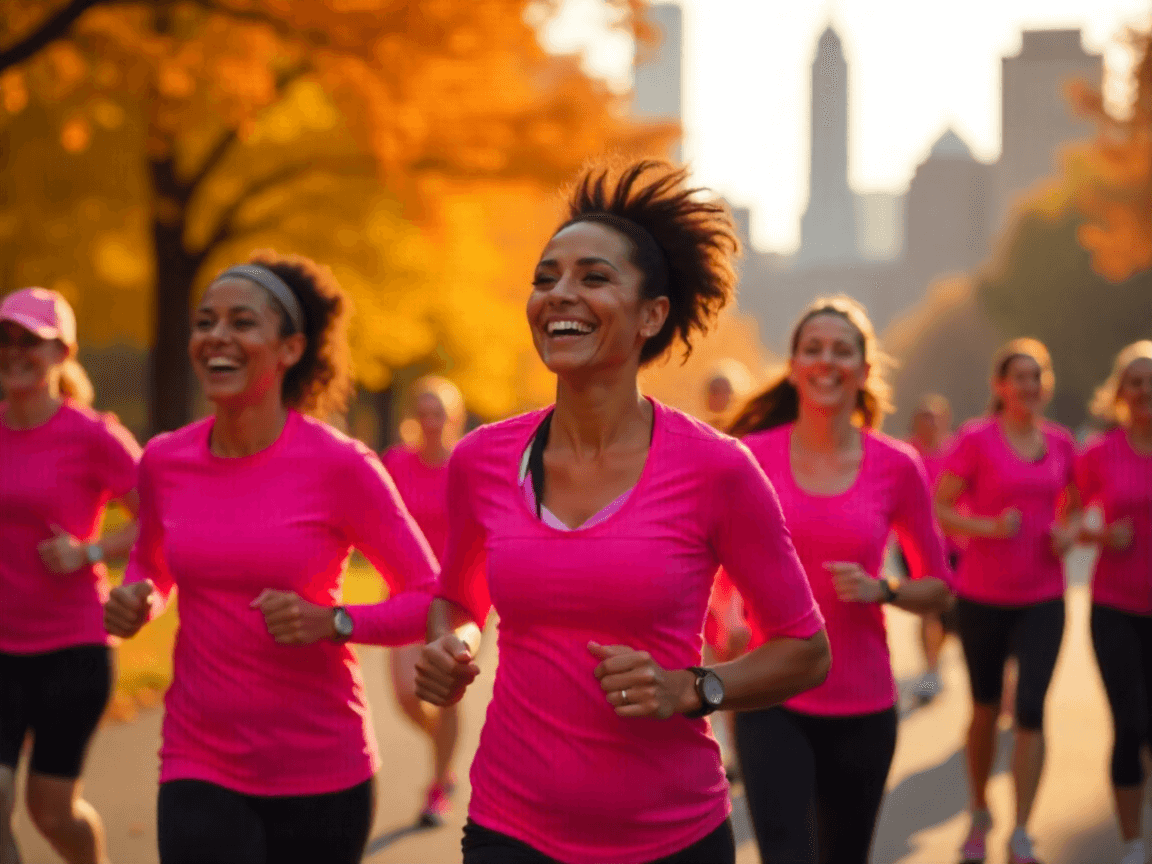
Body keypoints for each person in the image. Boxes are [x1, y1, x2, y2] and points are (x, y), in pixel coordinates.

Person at [415, 160, 831, 864]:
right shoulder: (482, 460)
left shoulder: (717, 470)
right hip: (509, 828)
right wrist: (452, 645)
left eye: (593, 277)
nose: (560, 294)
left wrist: (692, 688)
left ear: (652, 315)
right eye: (546, 277)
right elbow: (459, 599)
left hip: (671, 836)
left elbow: (805, 650)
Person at [102, 252, 440, 864]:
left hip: (321, 768)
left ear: (290, 349)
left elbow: (429, 597)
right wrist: (139, 600)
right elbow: (152, 565)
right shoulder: (165, 461)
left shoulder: (341, 466)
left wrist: (334, 621)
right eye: (205, 322)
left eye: (241, 322)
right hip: (197, 758)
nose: (217, 336)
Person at [726, 295, 954, 864]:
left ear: (865, 368)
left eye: (842, 350)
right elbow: (712, 554)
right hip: (770, 693)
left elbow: (939, 585)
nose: (827, 361)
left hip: (863, 703)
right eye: (813, 349)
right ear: (794, 367)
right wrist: (726, 611)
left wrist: (885, 590)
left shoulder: (897, 465)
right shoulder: (750, 457)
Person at [0, 287, 141, 864]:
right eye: (5, 338)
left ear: (62, 353)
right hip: (1, 646)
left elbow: (160, 517)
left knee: (52, 813)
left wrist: (89, 552)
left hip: (72, 647)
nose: (14, 350)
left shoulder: (92, 434)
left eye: (30, 340)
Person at [935, 337, 1079, 864]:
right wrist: (988, 527)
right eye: (1019, 376)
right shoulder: (977, 439)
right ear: (1000, 386)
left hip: (1045, 596)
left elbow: (1075, 508)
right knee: (985, 709)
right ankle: (978, 809)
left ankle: (1021, 830)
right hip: (983, 597)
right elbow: (941, 508)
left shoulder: (1060, 442)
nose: (1029, 385)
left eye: (1036, 376)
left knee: (1032, 711)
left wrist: (1067, 533)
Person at [1077, 341, 1152, 864]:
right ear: (1120, 393)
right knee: (1130, 724)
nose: (1145, 391)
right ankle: (1132, 845)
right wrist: (1101, 535)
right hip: (1115, 608)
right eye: (1135, 382)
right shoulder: (1099, 454)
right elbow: (1067, 521)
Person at [381, 375, 466, 826]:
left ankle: (437, 787)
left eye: (440, 413)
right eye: (424, 413)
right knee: (406, 693)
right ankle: (442, 747)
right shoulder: (396, 461)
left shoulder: (465, 466)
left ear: (454, 418)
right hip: (405, 593)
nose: (431, 422)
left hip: (457, 599)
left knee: (446, 691)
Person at [904, 393, 961, 703]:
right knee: (929, 608)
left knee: (949, 615)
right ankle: (930, 672)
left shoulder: (956, 452)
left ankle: (936, 660)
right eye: (924, 417)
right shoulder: (906, 453)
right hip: (916, 546)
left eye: (936, 417)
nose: (931, 423)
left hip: (955, 545)